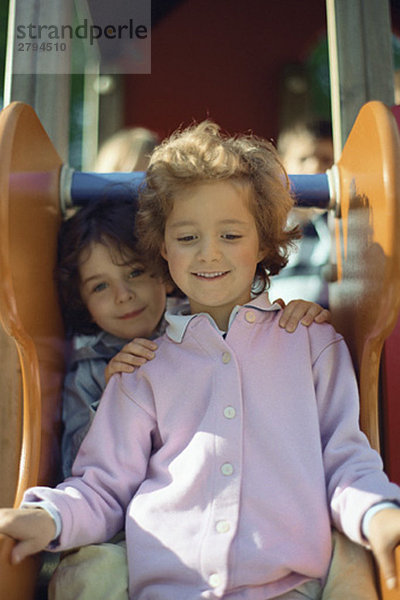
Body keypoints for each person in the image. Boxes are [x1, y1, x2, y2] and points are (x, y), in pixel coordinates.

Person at [1, 121, 400, 600]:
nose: (209, 253)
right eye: (187, 238)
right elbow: (103, 487)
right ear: (162, 248)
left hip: (286, 587)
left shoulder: (312, 345)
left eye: (231, 234)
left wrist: (379, 514)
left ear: (264, 242)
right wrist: (48, 517)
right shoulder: (141, 370)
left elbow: (346, 462)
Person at [49, 195, 331, 600]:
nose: (123, 295)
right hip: (136, 530)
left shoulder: (201, 326)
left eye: (135, 272)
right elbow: (83, 474)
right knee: (90, 573)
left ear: (163, 272)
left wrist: (294, 314)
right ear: (82, 300)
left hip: (226, 515)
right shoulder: (90, 371)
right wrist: (108, 402)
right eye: (100, 286)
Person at [269, 119, 334, 307]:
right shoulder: (273, 228)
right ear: (282, 166)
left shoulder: (344, 225)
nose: (314, 168)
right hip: (278, 325)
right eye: (303, 159)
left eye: (326, 160)